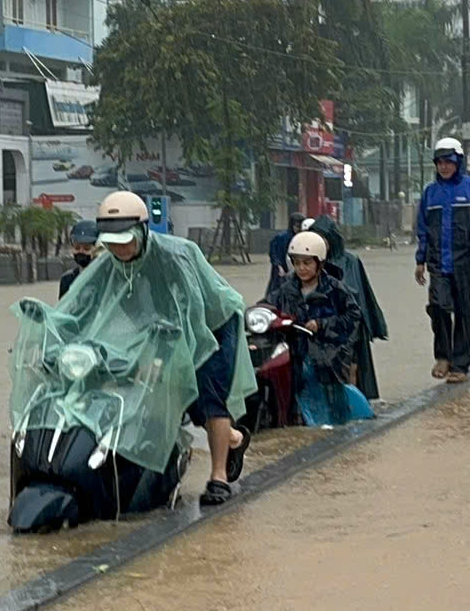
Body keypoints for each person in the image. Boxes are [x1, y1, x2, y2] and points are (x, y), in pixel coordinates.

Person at [84, 190, 256, 506]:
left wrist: (162, 357)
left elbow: (190, 314)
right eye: (111, 241)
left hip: (213, 322)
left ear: (142, 230)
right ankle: (234, 439)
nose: (119, 247)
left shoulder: (174, 257)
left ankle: (218, 477)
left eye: (125, 239)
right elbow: (86, 307)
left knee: (208, 396)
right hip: (164, 327)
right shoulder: (108, 264)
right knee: (169, 394)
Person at [267, 230, 373, 426]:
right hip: (296, 354)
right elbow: (269, 307)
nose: (301, 268)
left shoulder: (336, 289)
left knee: (332, 407)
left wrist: (322, 324)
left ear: (319, 263)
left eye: (307, 263)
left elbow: (353, 317)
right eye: (297, 263)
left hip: (329, 356)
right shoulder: (285, 290)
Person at [415, 137, 470, 382]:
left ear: (458, 162)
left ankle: (460, 365)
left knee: (466, 313)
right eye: (440, 162)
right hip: (438, 263)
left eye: (448, 162)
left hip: (468, 263)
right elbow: (423, 230)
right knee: (438, 307)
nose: (444, 167)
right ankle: (443, 355)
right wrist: (420, 261)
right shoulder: (430, 194)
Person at [302, 213, 387, 402]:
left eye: (323, 239)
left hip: (347, 326)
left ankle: (350, 407)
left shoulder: (350, 261)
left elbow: (360, 295)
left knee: (350, 367)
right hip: (318, 326)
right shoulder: (310, 262)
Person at [57, 217, 99, 297]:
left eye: (87, 248)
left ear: (97, 250)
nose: (81, 251)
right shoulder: (67, 279)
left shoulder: (106, 278)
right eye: (77, 248)